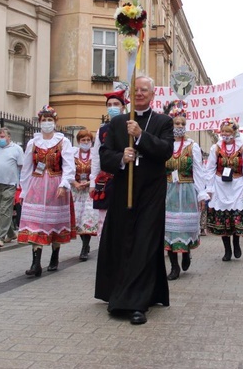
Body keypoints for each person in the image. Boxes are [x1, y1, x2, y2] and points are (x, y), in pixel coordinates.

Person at [94, 75, 174, 325]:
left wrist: (140, 137)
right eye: (136, 90)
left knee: (144, 243)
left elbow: (165, 151)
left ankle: (137, 303)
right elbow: (104, 155)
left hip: (151, 191)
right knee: (122, 240)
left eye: (144, 90)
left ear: (152, 95)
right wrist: (121, 157)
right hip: (123, 191)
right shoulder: (118, 122)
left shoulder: (163, 121)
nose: (139, 93)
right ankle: (117, 293)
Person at [17, 105, 75, 276]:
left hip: (56, 186)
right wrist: (24, 191)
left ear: (55, 122)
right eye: (44, 120)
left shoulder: (63, 141)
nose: (47, 123)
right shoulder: (33, 142)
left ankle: (55, 255)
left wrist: (64, 184)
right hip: (37, 185)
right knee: (36, 223)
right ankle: (36, 263)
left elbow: (69, 166)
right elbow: (27, 168)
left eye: (50, 120)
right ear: (40, 122)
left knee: (54, 222)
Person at [163, 100, 207, 280]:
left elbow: (198, 170)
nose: (179, 126)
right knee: (170, 229)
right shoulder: (164, 144)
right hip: (168, 190)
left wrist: (201, 194)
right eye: (176, 123)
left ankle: (186, 251)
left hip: (187, 189)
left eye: (182, 123)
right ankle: (174, 267)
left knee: (184, 227)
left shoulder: (192, 146)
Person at [205, 118, 243, 261]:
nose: (225, 134)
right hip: (220, 185)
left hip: (237, 185)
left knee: (235, 215)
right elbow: (209, 168)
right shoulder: (215, 148)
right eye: (223, 131)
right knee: (223, 217)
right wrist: (208, 187)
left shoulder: (242, 148)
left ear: (234, 132)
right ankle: (227, 249)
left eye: (228, 131)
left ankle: (236, 243)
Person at [89, 89, 129, 232]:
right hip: (105, 180)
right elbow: (95, 157)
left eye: (116, 104)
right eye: (110, 104)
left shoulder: (130, 126)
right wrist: (93, 181)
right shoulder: (102, 130)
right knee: (103, 220)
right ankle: (103, 251)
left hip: (125, 177)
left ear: (123, 107)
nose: (112, 107)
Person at [72, 129, 97, 261]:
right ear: (78, 141)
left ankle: (84, 247)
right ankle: (84, 244)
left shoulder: (95, 154)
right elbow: (68, 169)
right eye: (83, 140)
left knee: (87, 218)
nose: (86, 142)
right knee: (77, 218)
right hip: (76, 190)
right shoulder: (73, 153)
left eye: (88, 140)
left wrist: (89, 182)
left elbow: (97, 170)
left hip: (89, 190)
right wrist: (75, 182)